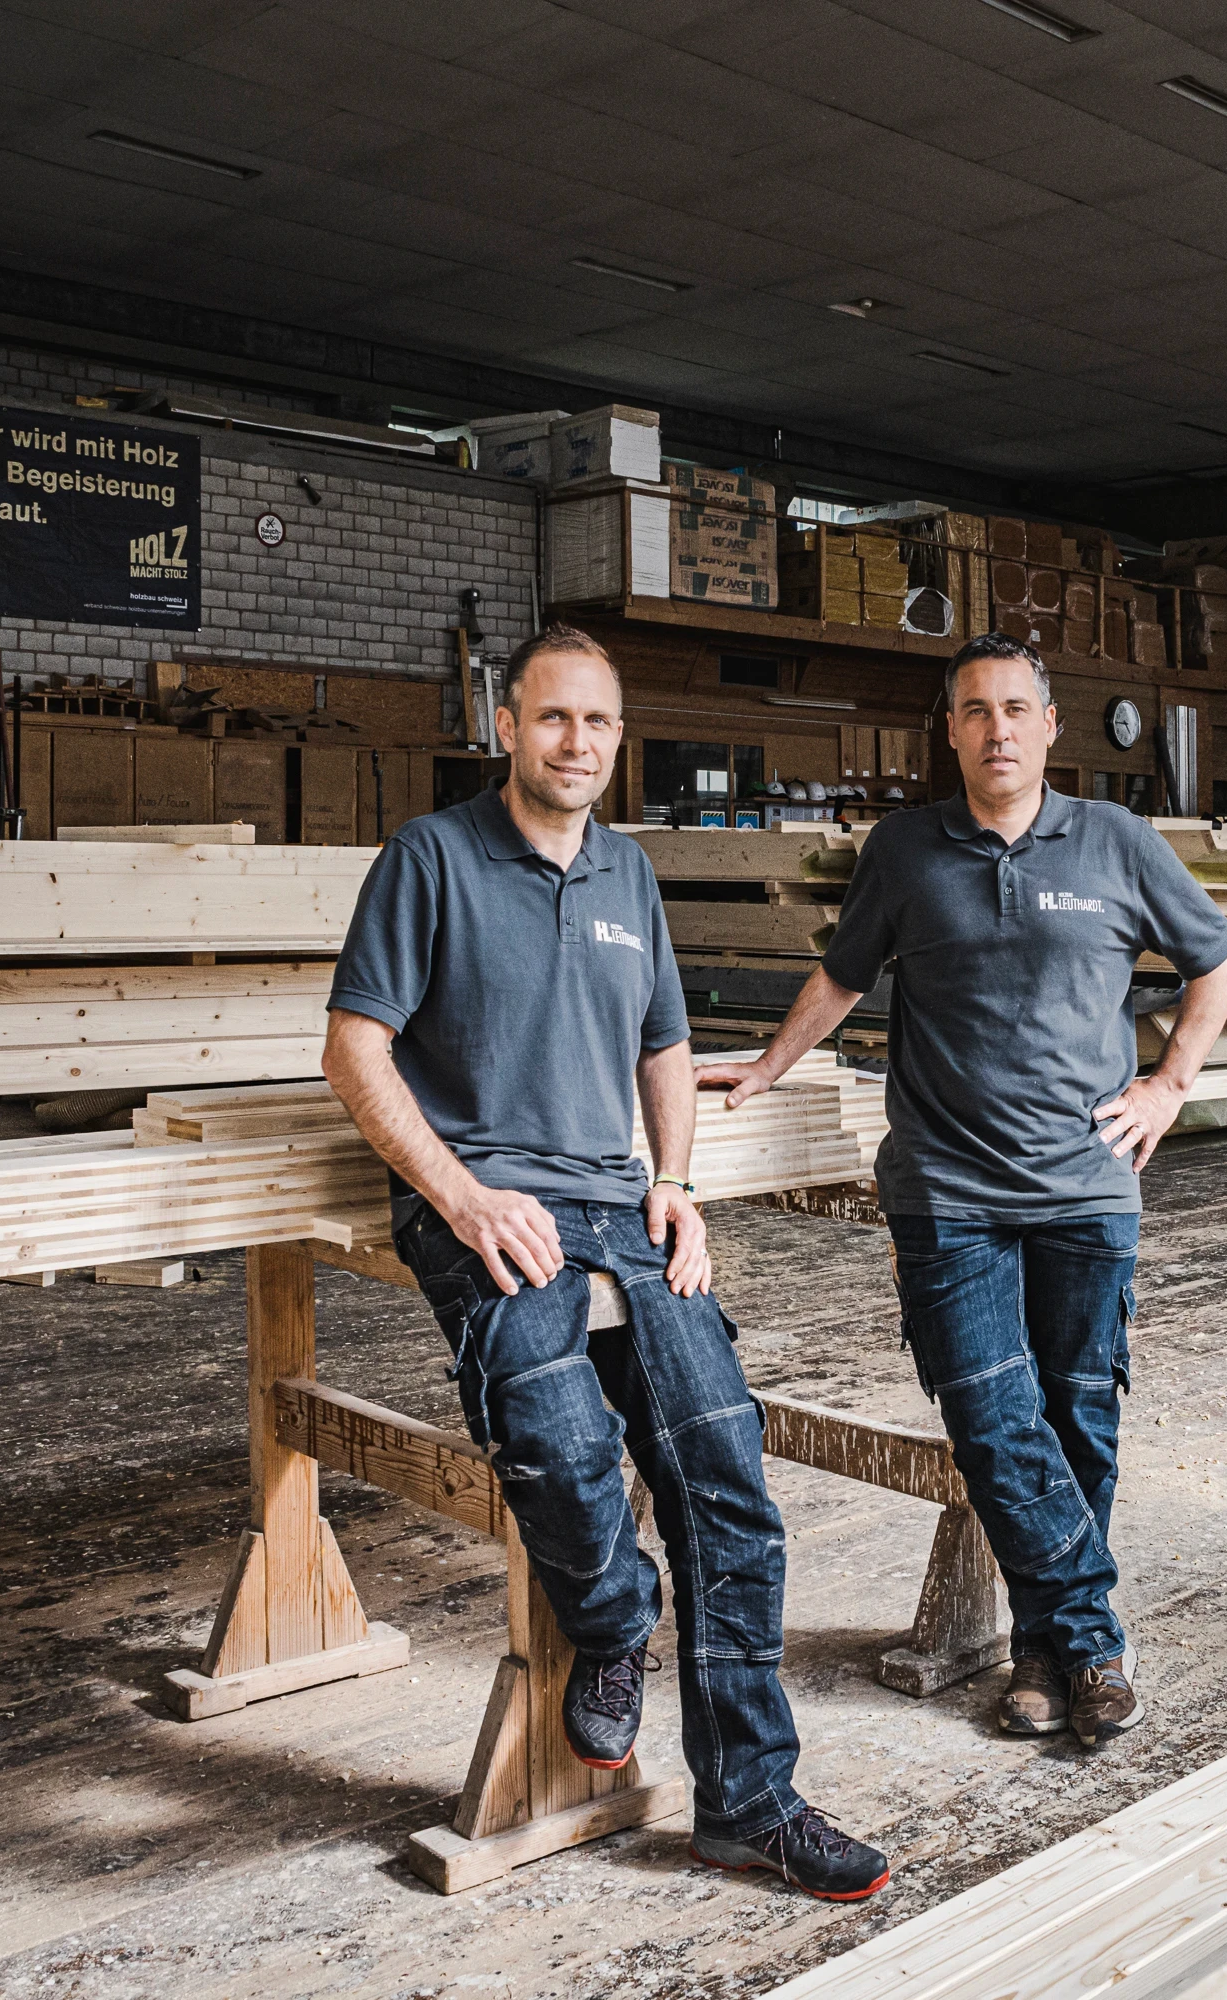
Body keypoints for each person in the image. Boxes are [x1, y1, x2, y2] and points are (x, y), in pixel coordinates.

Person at [322, 625, 889, 1902]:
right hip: (486, 1207)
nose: (576, 743)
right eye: (552, 718)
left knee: (726, 1469)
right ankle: (617, 1617)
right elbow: (355, 1049)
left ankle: (748, 1800)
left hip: (616, 1209)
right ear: (509, 726)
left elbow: (663, 1047)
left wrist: (674, 1185)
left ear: (618, 743)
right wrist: (461, 1197)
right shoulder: (430, 858)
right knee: (563, 1444)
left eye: (598, 724)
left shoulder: (630, 873)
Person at [699, 634, 1227, 1749]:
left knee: (1079, 1417)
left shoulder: (1116, 842)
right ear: (948, 730)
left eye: (1016, 708)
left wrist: (1171, 1084)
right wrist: (763, 1067)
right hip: (949, 1186)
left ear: (1050, 724)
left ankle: (1046, 1651)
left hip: (1088, 1184)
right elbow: (844, 974)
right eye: (975, 710)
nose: (998, 728)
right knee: (994, 1421)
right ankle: (1095, 1633)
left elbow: (1216, 955)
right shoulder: (904, 850)